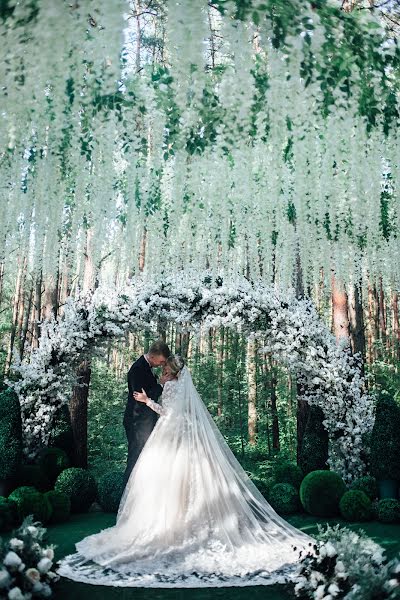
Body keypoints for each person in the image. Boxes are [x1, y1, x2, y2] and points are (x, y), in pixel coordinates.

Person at [58, 355, 313, 588]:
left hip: (169, 437)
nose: (162, 375)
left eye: (165, 371)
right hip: (189, 438)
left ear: (171, 373)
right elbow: (185, 415)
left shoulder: (169, 387)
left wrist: (148, 401)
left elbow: (167, 414)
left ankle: (169, 527)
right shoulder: (184, 388)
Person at [122, 340, 171, 488]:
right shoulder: (138, 369)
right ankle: (125, 496)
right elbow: (140, 397)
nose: (162, 364)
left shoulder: (146, 366)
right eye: (161, 361)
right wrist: (161, 384)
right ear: (154, 356)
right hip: (137, 422)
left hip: (144, 421)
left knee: (143, 458)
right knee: (135, 458)